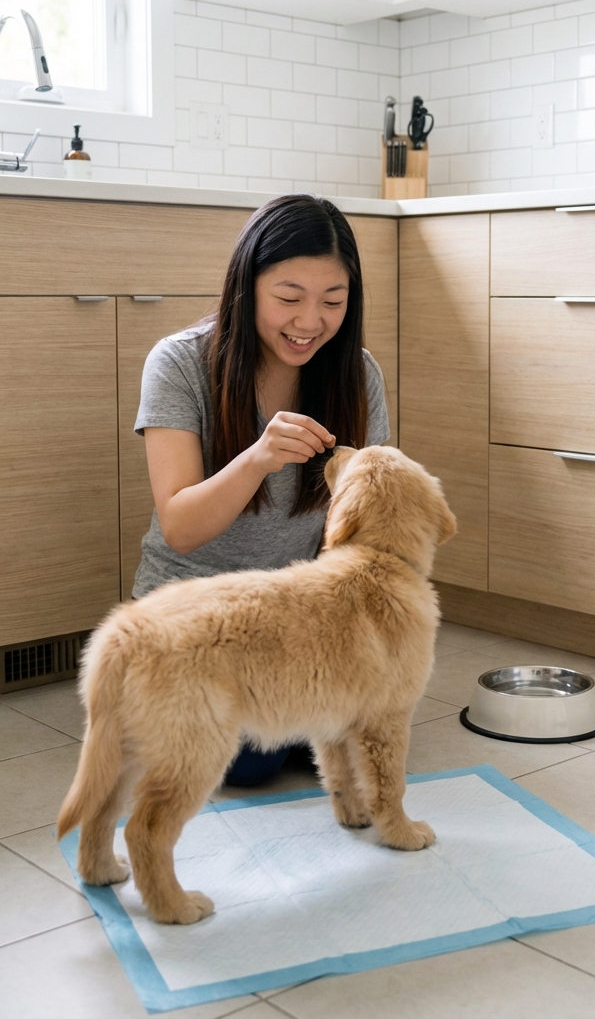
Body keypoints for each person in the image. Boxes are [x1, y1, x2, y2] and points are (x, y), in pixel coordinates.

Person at [132, 194, 390, 785]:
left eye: (333, 301)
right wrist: (257, 458)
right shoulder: (178, 363)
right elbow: (180, 525)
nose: (309, 322)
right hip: (196, 616)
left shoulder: (357, 373)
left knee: (368, 731)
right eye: (288, 298)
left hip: (297, 620)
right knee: (254, 762)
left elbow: (365, 521)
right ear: (247, 287)